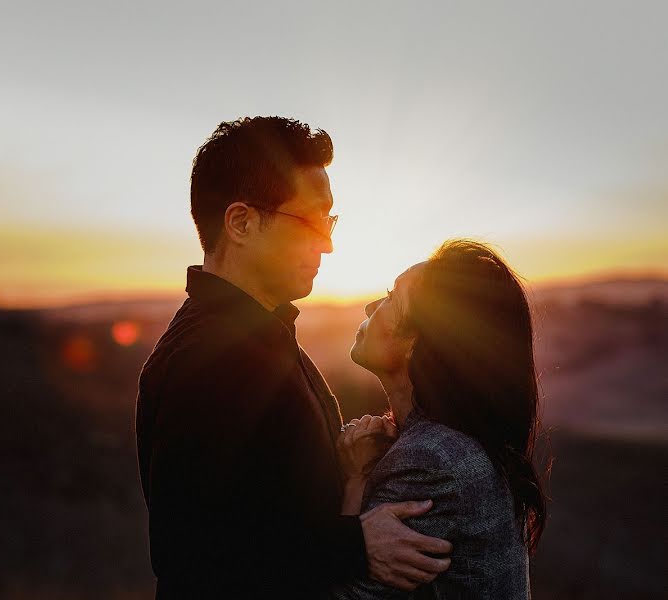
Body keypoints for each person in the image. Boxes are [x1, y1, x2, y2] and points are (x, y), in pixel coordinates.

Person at [135, 116, 452, 598]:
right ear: (241, 223)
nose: (327, 242)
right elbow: (190, 553)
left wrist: (347, 477)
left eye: (329, 220)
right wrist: (355, 544)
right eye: (310, 220)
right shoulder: (208, 359)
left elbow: (262, 508)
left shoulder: (260, 336)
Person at [332, 240, 549, 598]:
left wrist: (355, 484)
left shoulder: (430, 461)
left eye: (391, 297)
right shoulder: (458, 442)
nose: (371, 305)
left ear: (415, 342)